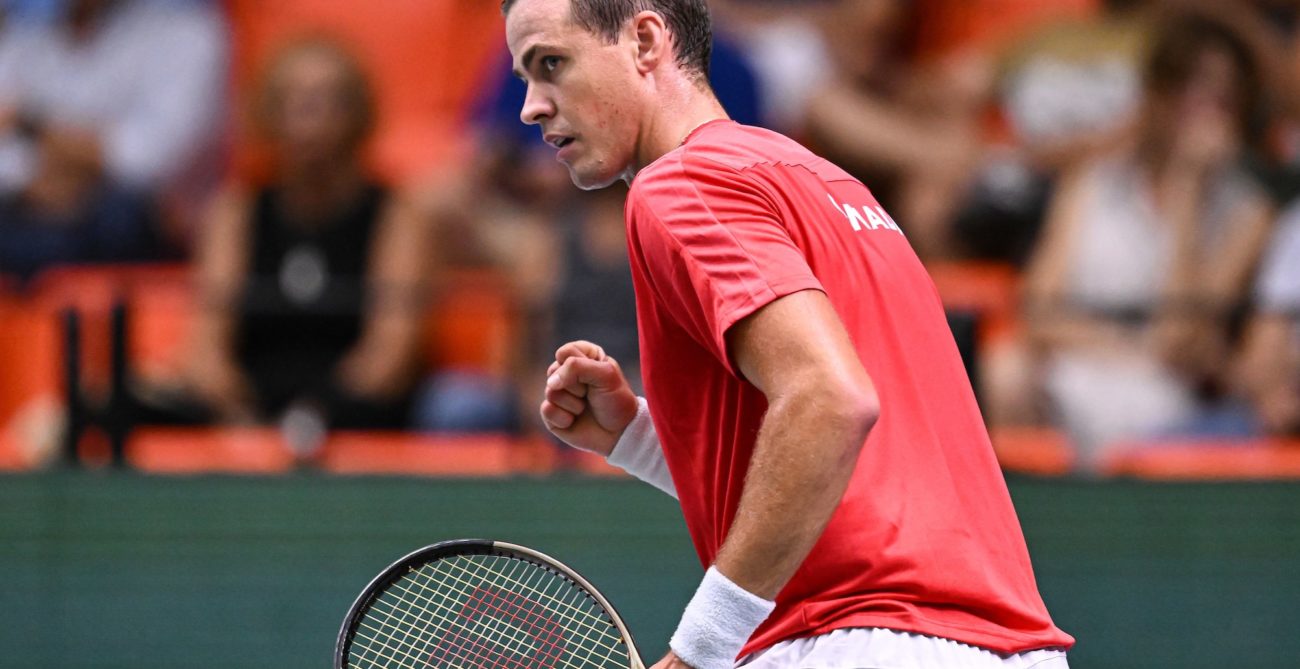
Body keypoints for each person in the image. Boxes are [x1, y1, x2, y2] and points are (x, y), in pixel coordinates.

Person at [502, 1, 1073, 668]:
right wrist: (637, 434)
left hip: (855, 638)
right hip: (1006, 648)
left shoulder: (680, 184)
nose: (531, 107)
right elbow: (846, 466)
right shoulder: (827, 181)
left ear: (646, 39)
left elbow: (831, 400)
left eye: (552, 65)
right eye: (524, 77)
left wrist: (697, 650)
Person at [1002, 12, 1274, 459]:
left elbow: (1183, 339)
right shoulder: (1090, 184)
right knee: (1007, 369)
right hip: (1079, 375)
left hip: (1175, 401)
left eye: (1222, 99)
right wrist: (1128, 347)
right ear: (1157, 94)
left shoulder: (1249, 213)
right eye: (1191, 90)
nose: (1203, 111)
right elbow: (1041, 311)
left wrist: (1188, 186)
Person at [140, 38, 429, 439]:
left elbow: (391, 355)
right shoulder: (236, 212)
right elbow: (206, 347)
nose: (309, 116)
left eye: (327, 100)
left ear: (358, 113)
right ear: (268, 113)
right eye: (294, 100)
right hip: (245, 412)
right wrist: (243, 418)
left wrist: (309, 421)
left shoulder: (395, 214)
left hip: (354, 415)